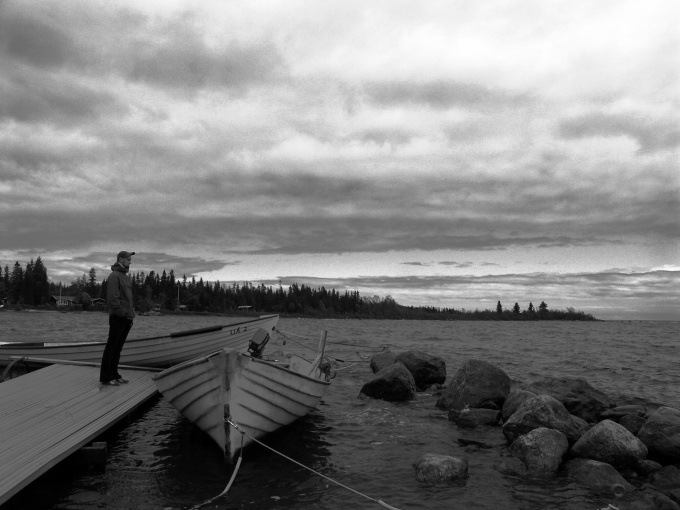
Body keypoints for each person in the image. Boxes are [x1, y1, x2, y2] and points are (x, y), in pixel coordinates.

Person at [100, 250, 136, 386]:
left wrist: (131, 314)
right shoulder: (114, 276)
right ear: (121, 260)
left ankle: (114, 374)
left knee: (118, 348)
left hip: (126, 318)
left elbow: (128, 299)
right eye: (128, 259)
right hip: (118, 317)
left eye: (130, 259)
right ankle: (106, 377)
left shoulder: (125, 277)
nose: (130, 262)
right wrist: (121, 313)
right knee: (112, 347)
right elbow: (112, 298)